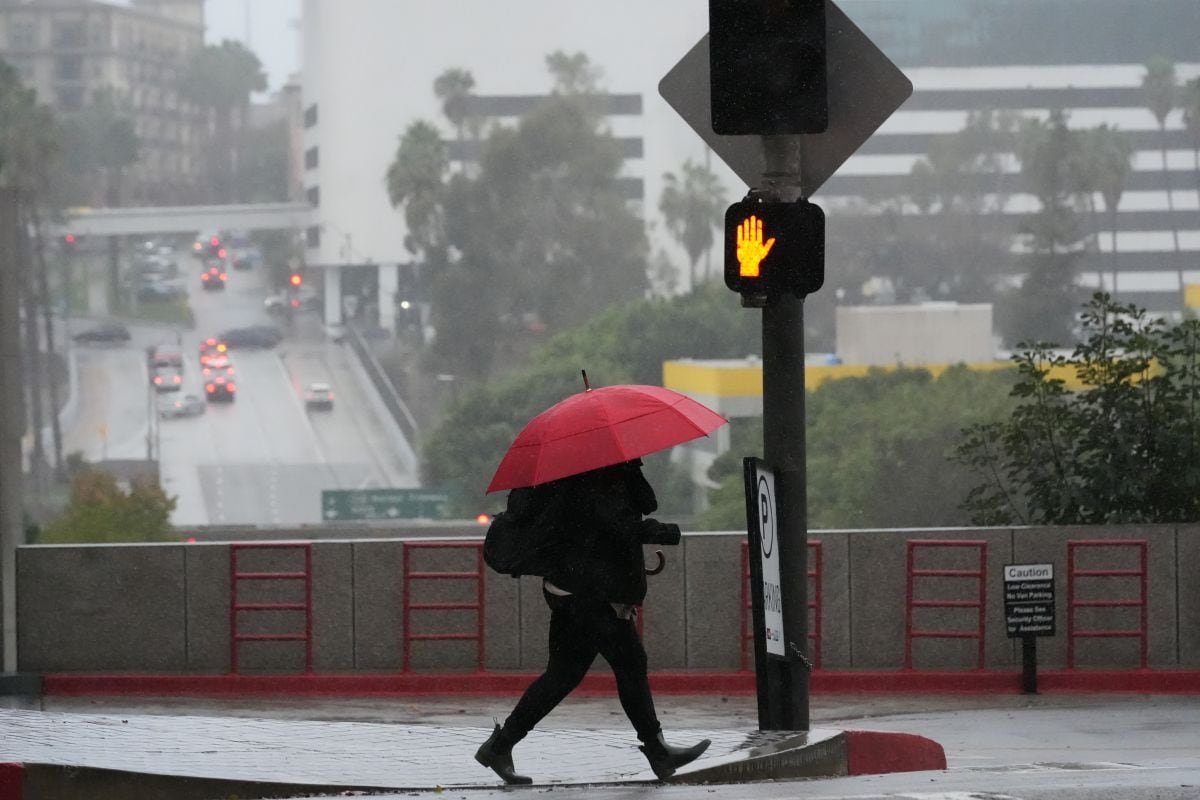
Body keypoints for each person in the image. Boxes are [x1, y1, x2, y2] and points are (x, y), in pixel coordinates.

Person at [474, 458, 711, 784]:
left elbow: (638, 505)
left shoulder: (589, 471)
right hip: (590, 590)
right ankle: (657, 750)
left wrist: (631, 471)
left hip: (571, 586)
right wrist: (660, 532)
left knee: (563, 674)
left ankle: (500, 746)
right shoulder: (596, 472)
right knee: (629, 662)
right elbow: (613, 525)